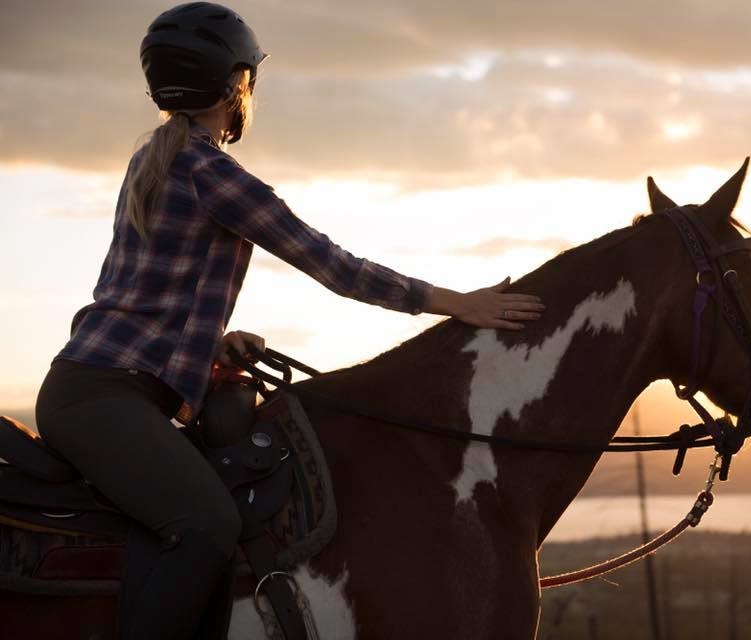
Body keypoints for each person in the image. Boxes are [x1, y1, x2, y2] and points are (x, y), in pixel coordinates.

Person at [33, 3, 544, 638]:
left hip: (89, 386)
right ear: (236, 85)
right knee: (207, 525)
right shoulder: (212, 173)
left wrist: (209, 344)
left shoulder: (156, 160)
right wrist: (454, 302)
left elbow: (133, 294)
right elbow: (332, 265)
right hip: (106, 398)